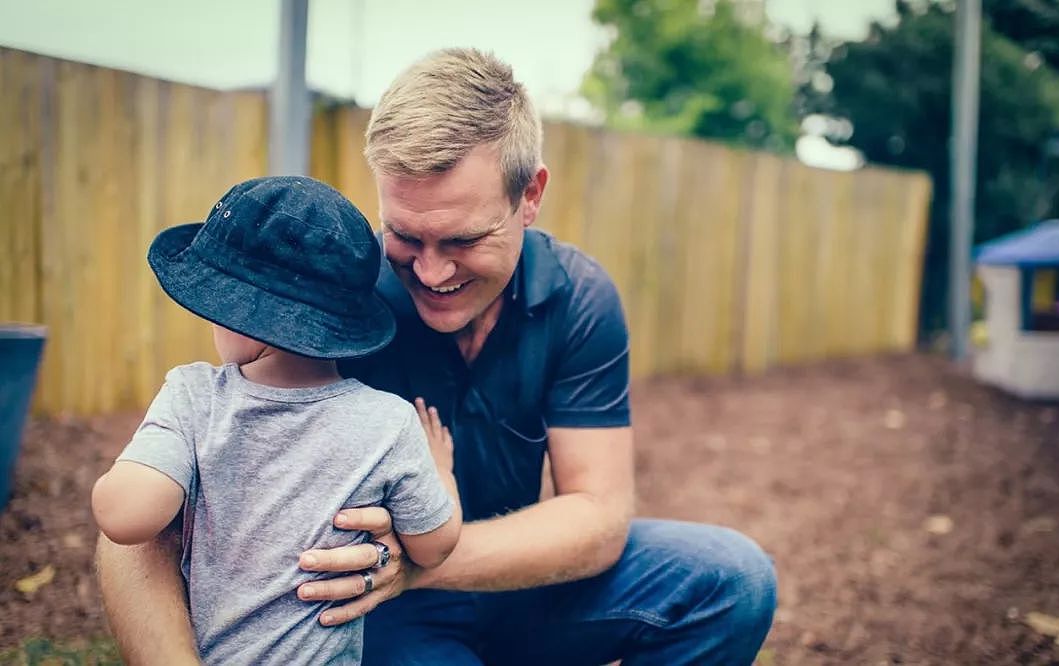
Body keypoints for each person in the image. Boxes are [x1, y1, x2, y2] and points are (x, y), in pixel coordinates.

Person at [96, 49, 777, 665]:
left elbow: (597, 520)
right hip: (376, 618)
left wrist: (413, 561)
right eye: (405, 234)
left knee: (732, 581)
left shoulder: (579, 298)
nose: (429, 270)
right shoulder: (335, 298)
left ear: (530, 195)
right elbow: (157, 513)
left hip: (511, 582)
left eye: (460, 239)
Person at [91, 176, 461, 664]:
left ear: (238, 316)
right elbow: (433, 547)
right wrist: (443, 475)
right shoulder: (389, 422)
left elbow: (124, 517)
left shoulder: (195, 396)